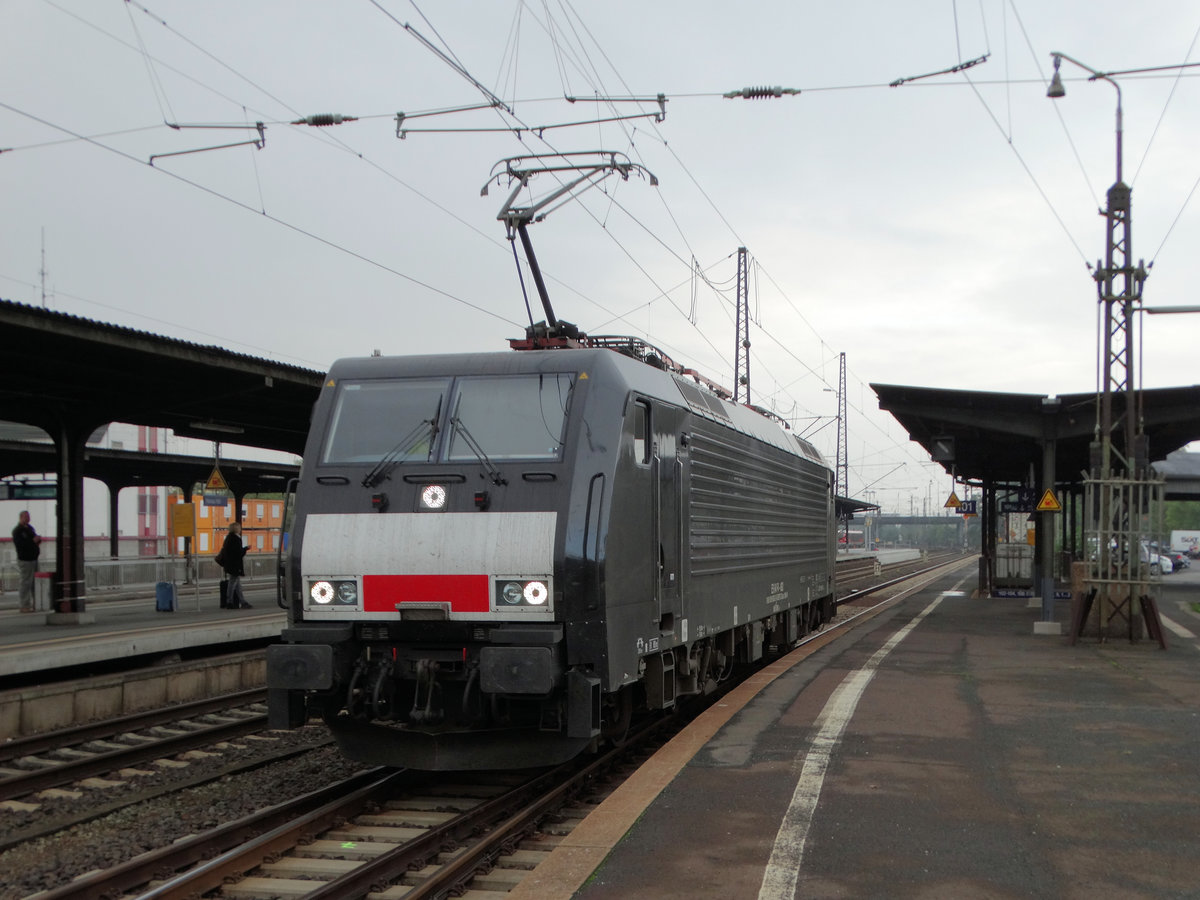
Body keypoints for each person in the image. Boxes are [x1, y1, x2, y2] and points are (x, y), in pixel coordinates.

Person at [12, 510, 43, 613]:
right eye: (26, 516)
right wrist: (32, 541)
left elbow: (34, 540)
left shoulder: (30, 528)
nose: (28, 518)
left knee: (35, 583)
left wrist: (38, 540)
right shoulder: (17, 531)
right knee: (26, 583)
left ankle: (36, 604)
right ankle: (24, 605)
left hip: (34, 558)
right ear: (21, 517)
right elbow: (21, 545)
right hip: (25, 560)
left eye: (29, 516)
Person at [218, 522, 251, 609]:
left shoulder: (228, 538)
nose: (240, 529)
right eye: (239, 528)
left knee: (237, 584)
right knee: (232, 584)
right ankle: (229, 601)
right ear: (237, 529)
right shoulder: (236, 539)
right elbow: (238, 553)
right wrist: (246, 549)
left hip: (230, 564)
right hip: (234, 565)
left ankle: (242, 601)